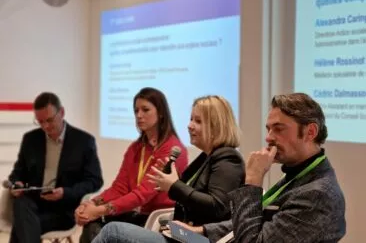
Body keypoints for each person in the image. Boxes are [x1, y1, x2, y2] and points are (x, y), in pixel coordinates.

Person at [143, 92, 347, 243]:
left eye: (279, 129)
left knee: (115, 232)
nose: (268, 137)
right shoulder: (298, 176)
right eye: (268, 129)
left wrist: (252, 182)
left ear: (310, 132)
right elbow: (260, 221)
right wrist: (203, 231)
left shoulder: (318, 194)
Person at [91, 95, 245, 243]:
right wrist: (171, 181)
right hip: (181, 234)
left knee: (113, 232)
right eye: (191, 119)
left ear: (216, 126)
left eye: (198, 121)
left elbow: (216, 206)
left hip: (198, 239)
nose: (189, 125)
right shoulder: (206, 157)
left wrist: (174, 185)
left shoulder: (228, 159)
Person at [76, 87, 189, 243]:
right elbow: (119, 187)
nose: (139, 115)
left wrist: (100, 210)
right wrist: (92, 203)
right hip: (138, 214)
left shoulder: (172, 150)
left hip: (159, 220)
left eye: (145, 110)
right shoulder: (136, 148)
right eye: (136, 111)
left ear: (161, 113)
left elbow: (143, 194)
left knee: (101, 221)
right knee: (92, 222)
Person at [7, 92, 103, 243]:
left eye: (49, 120)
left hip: (63, 210)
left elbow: (95, 181)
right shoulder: (31, 139)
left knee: (23, 224)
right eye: (40, 121)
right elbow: (17, 173)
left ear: (62, 112)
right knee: (21, 205)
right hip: (34, 204)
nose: (45, 126)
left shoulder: (83, 141)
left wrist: (65, 192)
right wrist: (17, 183)